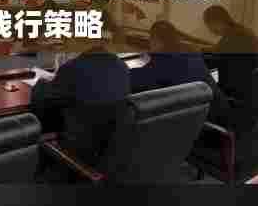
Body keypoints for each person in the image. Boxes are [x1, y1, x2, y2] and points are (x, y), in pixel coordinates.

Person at [30, 40, 130, 169]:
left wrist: (49, 78)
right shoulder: (121, 66)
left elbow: (42, 103)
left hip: (77, 157)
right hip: (112, 154)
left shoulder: (72, 68)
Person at [130, 20, 231, 126]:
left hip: (204, 126)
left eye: (151, 40)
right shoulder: (191, 52)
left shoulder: (162, 62)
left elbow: (133, 79)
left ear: (156, 41)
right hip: (220, 117)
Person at [202, 5, 258, 130]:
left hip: (243, 96)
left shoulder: (233, 36)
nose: (210, 30)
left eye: (209, 25)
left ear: (217, 22)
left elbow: (215, 56)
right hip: (257, 96)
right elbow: (216, 49)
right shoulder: (240, 31)